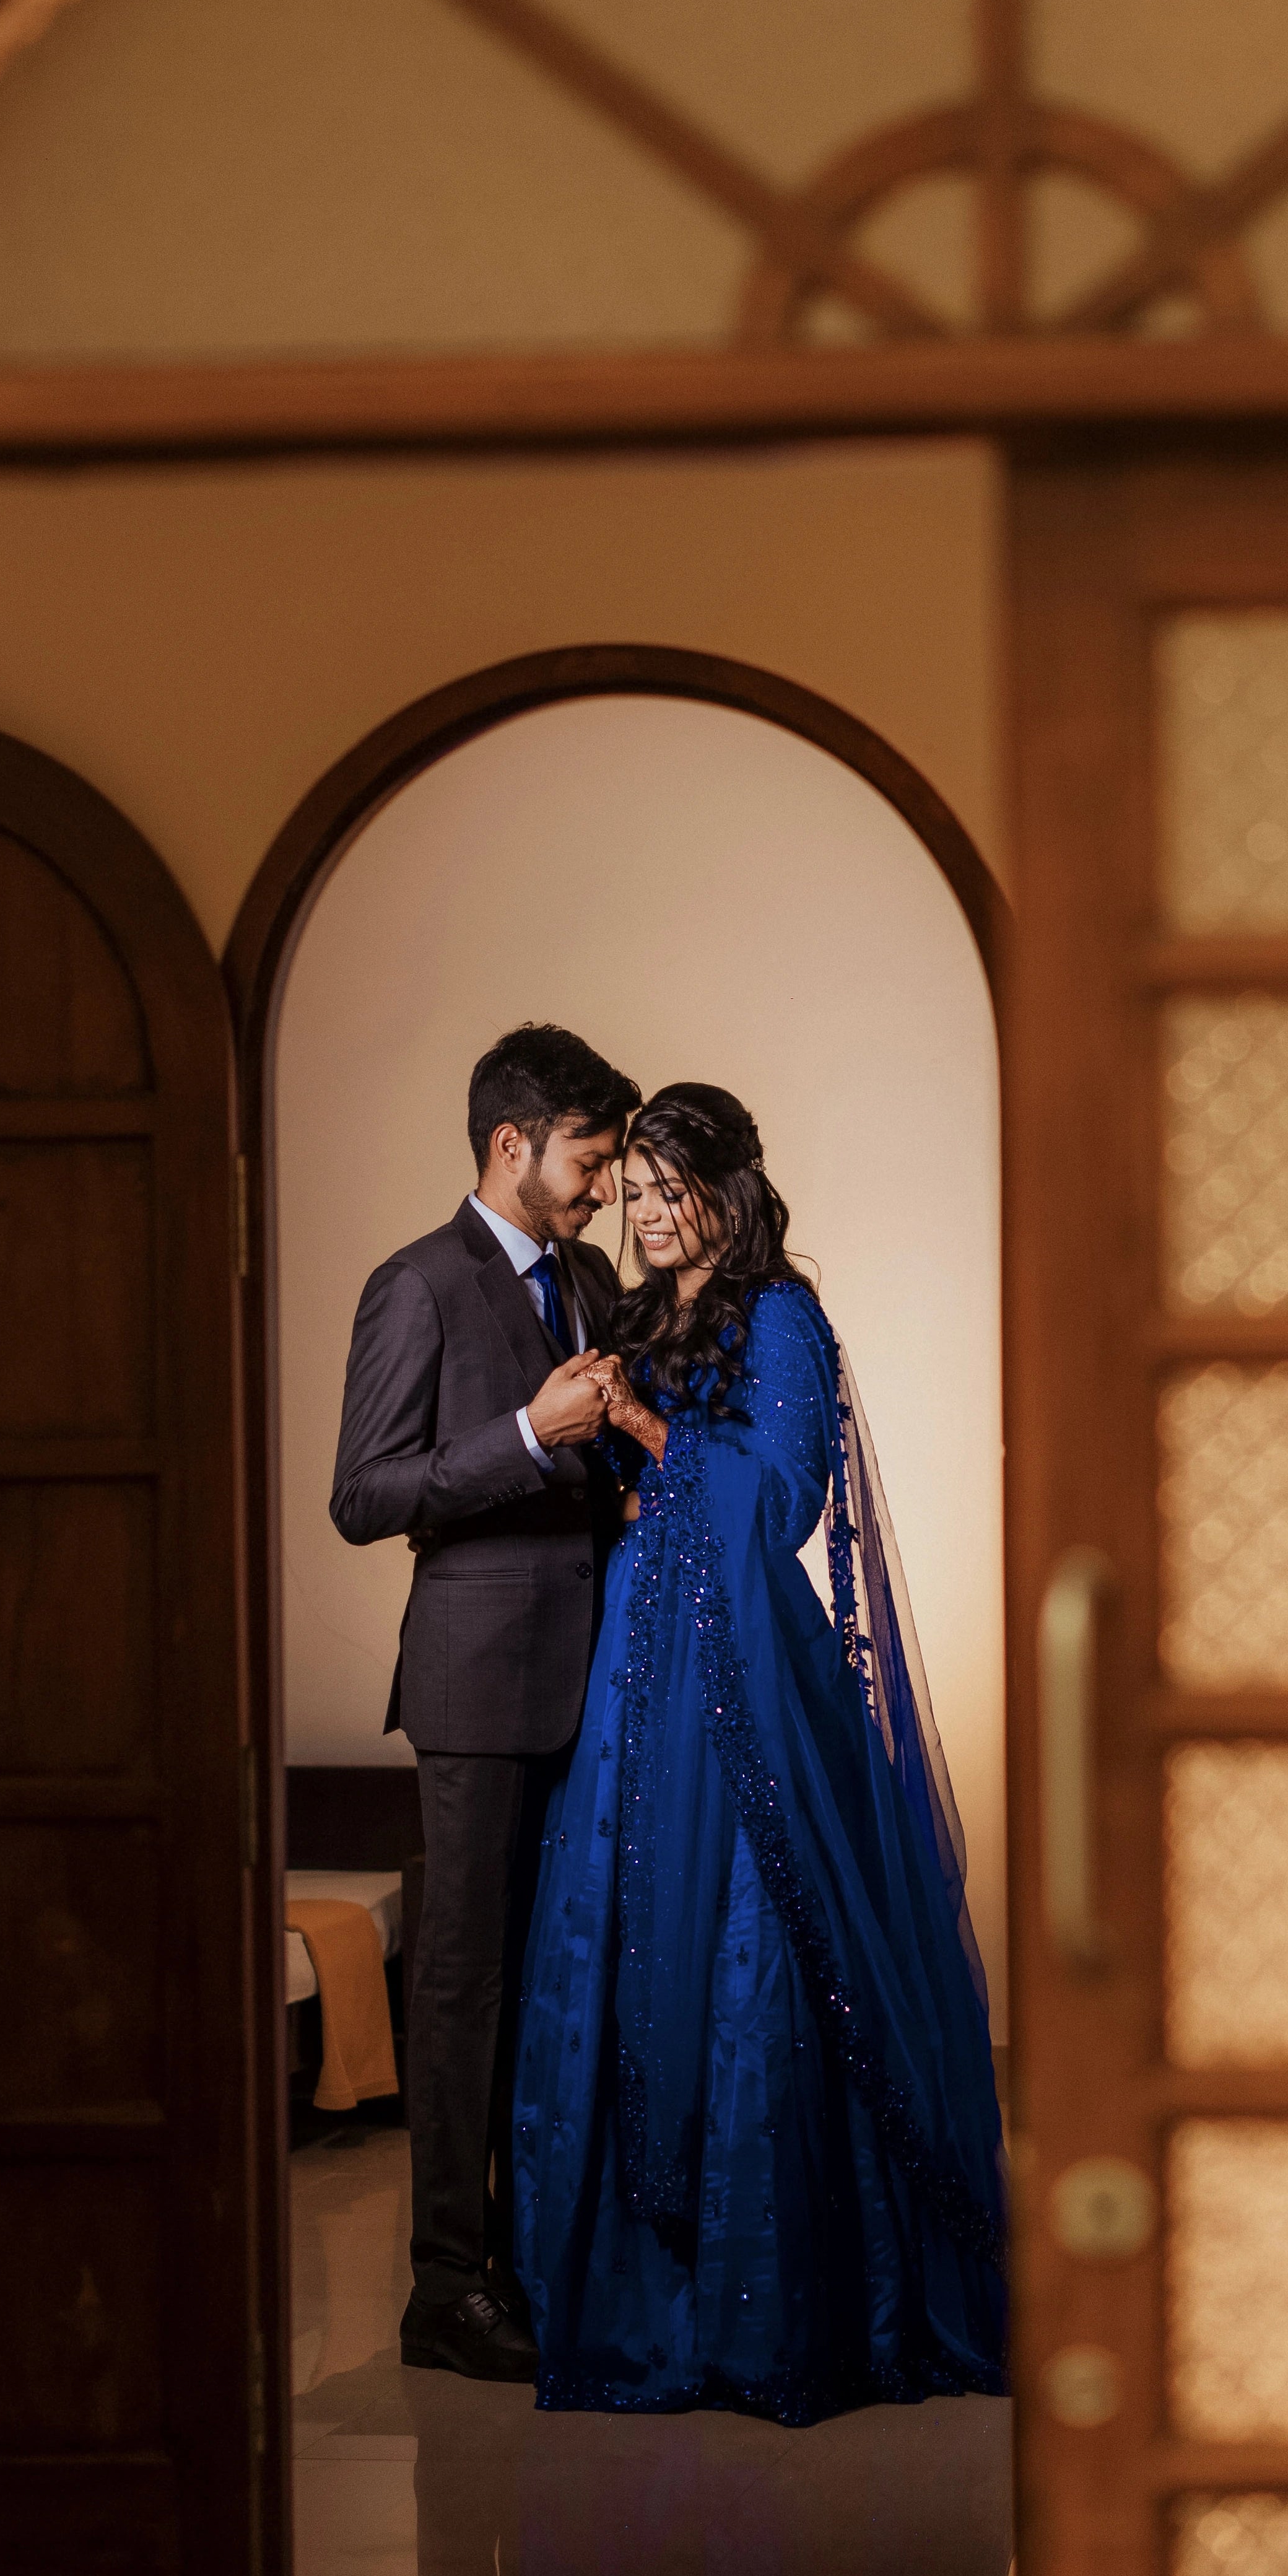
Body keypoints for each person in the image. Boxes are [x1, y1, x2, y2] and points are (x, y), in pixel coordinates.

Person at [511, 1082, 1009, 2420]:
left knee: (758, 1937)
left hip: (740, 1667)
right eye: (634, 1192)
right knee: (621, 1925)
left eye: (671, 1191)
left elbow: (780, 1498)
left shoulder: (780, 1315)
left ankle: (770, 2299)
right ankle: (637, 2284)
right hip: (637, 1664)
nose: (647, 1214)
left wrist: (641, 1430)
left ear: (727, 1191)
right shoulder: (631, 1316)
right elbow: (625, 1492)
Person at [328, 1021, 642, 2383]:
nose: (605, 1189)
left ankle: (540, 2254)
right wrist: (527, 1434)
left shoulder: (589, 1277)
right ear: (511, 1145)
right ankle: (446, 2290)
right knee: (463, 1984)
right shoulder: (416, 1284)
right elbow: (364, 1493)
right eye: (590, 1159)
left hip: (595, 1678)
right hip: (475, 1685)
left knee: (562, 1975)